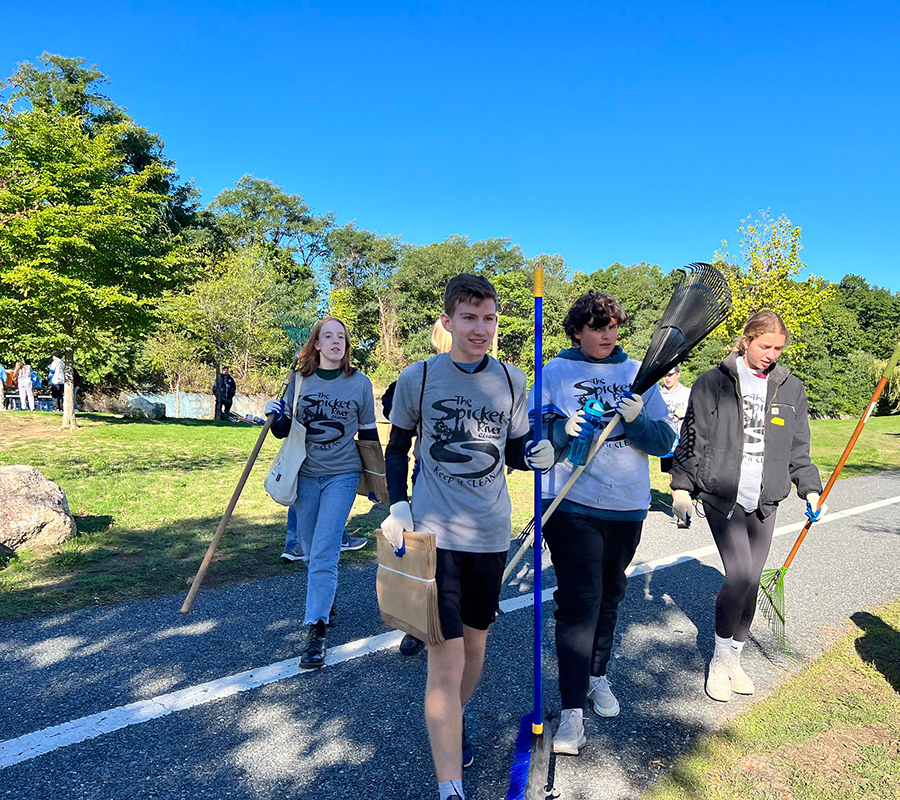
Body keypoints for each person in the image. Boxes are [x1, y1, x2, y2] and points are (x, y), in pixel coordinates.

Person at [381, 274, 554, 800]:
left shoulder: (510, 379)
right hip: (436, 536)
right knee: (447, 657)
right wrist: (398, 505)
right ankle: (449, 786)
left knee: (476, 648)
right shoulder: (420, 378)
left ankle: (453, 720)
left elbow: (517, 449)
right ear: (448, 321)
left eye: (489, 318)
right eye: (469, 318)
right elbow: (397, 448)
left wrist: (537, 455)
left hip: (491, 535)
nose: (481, 329)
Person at [531, 291, 676, 756]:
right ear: (578, 330)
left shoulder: (639, 373)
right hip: (570, 501)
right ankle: (571, 710)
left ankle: (597, 677)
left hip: (627, 504)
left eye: (614, 327)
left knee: (611, 594)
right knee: (580, 601)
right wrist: (559, 431)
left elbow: (663, 440)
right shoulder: (555, 371)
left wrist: (636, 421)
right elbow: (533, 431)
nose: (608, 335)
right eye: (598, 327)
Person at [670, 310, 824, 702]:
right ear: (746, 340)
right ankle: (719, 662)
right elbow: (693, 439)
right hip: (724, 495)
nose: (771, 354)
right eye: (765, 346)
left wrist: (809, 488)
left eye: (778, 348)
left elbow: (798, 448)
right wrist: (681, 487)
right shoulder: (713, 382)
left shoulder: (791, 388)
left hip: (767, 498)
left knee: (753, 582)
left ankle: (735, 659)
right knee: (739, 576)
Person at [265, 316, 378, 669]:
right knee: (310, 550)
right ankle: (324, 602)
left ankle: (316, 631)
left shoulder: (359, 383)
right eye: (327, 336)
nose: (335, 342)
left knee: (326, 551)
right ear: (316, 343)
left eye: (341, 337)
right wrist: (274, 414)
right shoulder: (298, 381)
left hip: (343, 474)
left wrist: (377, 480)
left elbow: (369, 432)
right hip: (305, 475)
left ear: (346, 344)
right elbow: (283, 431)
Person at [382, 318, 454, 658]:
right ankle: (416, 625)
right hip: (426, 472)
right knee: (424, 553)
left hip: (468, 481)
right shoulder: (420, 377)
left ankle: (460, 611)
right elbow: (391, 408)